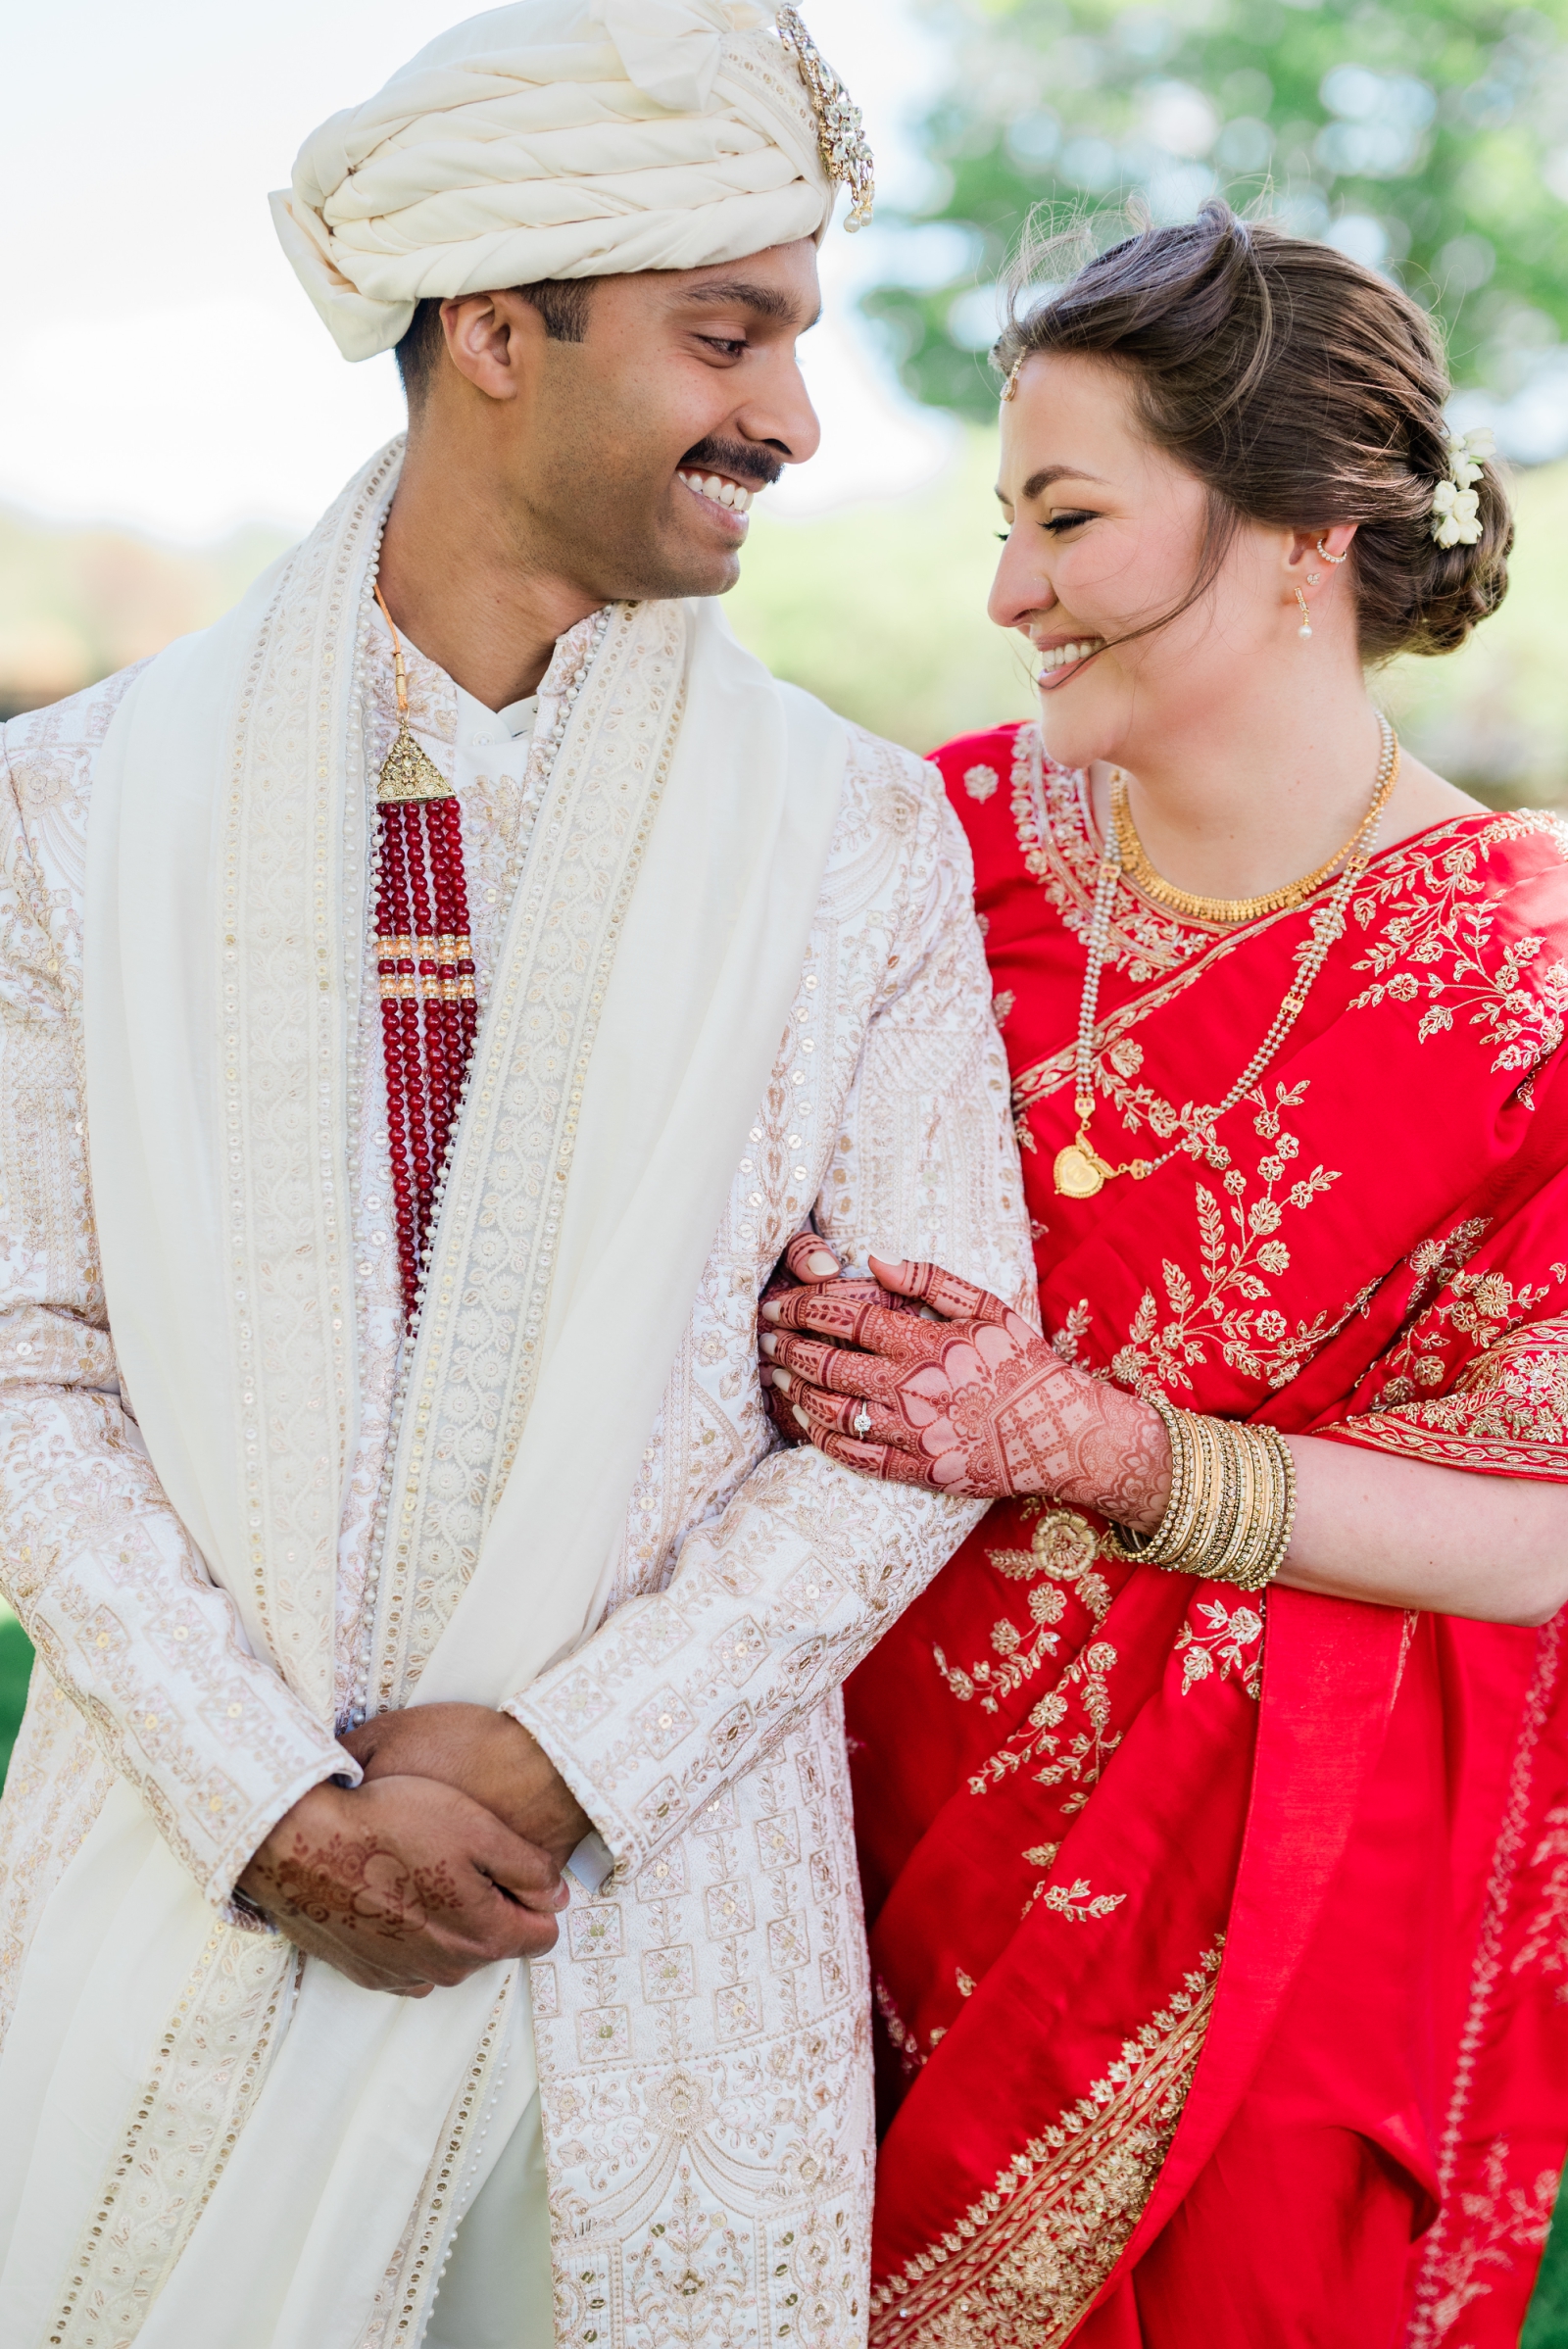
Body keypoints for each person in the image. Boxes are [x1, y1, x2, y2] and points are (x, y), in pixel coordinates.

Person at [0, 7, 1031, 2344]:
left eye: (791, 334)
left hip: (653, 1947)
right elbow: (18, 1352)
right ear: (492, 329)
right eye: (724, 331)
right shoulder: (67, 811)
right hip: (187, 1894)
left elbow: (926, 1407)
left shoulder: (849, 833)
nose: (788, 413)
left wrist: (578, 1752)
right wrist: (271, 1789)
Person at [760, 204, 1568, 2348]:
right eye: (1004, 521)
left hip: (1258, 1919)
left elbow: (1538, 1535)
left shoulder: (1521, 972)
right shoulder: (917, 850)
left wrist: (1108, 1449)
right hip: (803, 1824)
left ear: (1300, 530)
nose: (1006, 588)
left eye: (1067, 515)